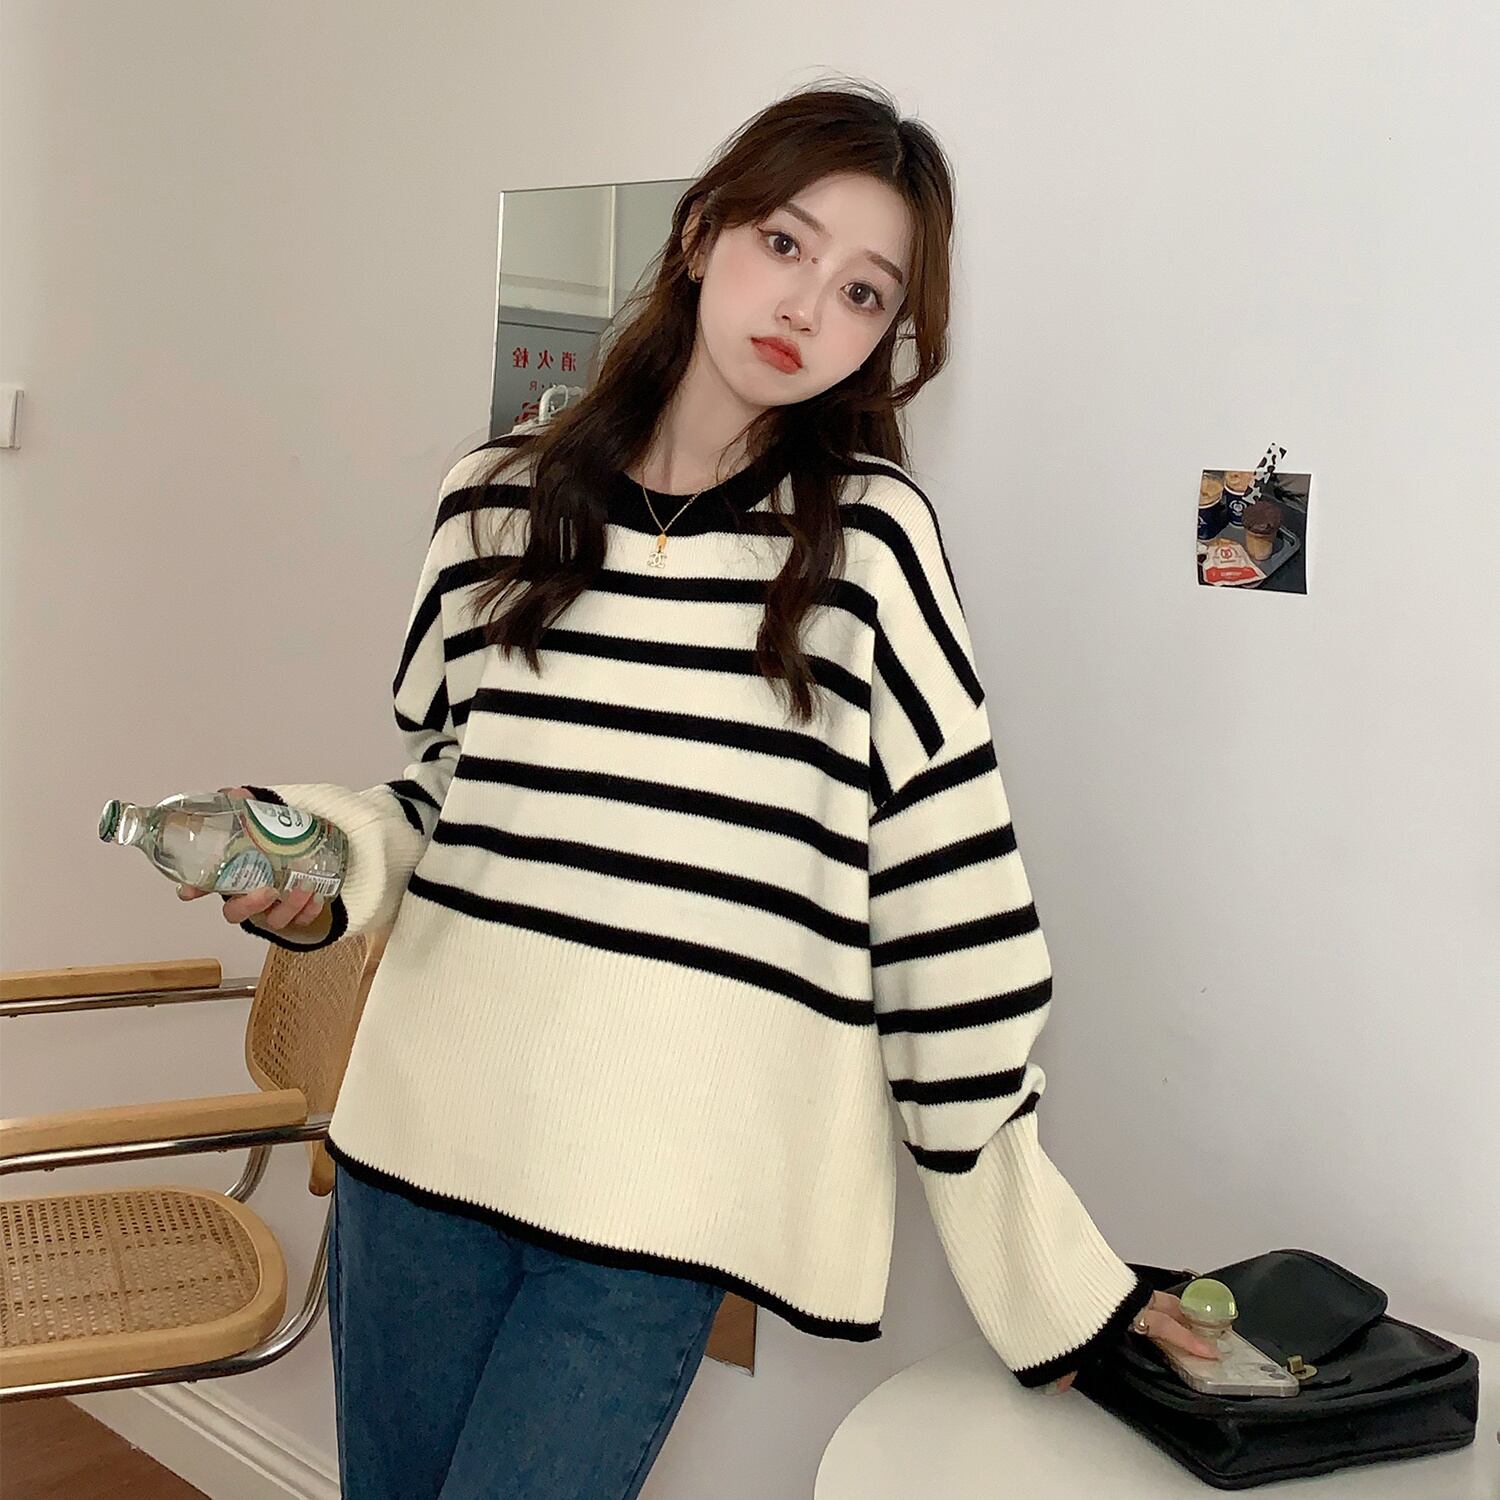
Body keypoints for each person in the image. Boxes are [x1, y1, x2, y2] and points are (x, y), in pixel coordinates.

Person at [181, 78, 1216, 1499]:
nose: (807, 305)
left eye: (863, 292)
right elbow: (447, 792)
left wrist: (1059, 1285)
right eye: (785, 243)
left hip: (657, 1208)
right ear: (701, 233)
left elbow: (949, 922)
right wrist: (328, 871)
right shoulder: (494, 499)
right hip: (420, 1151)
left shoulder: (869, 555)